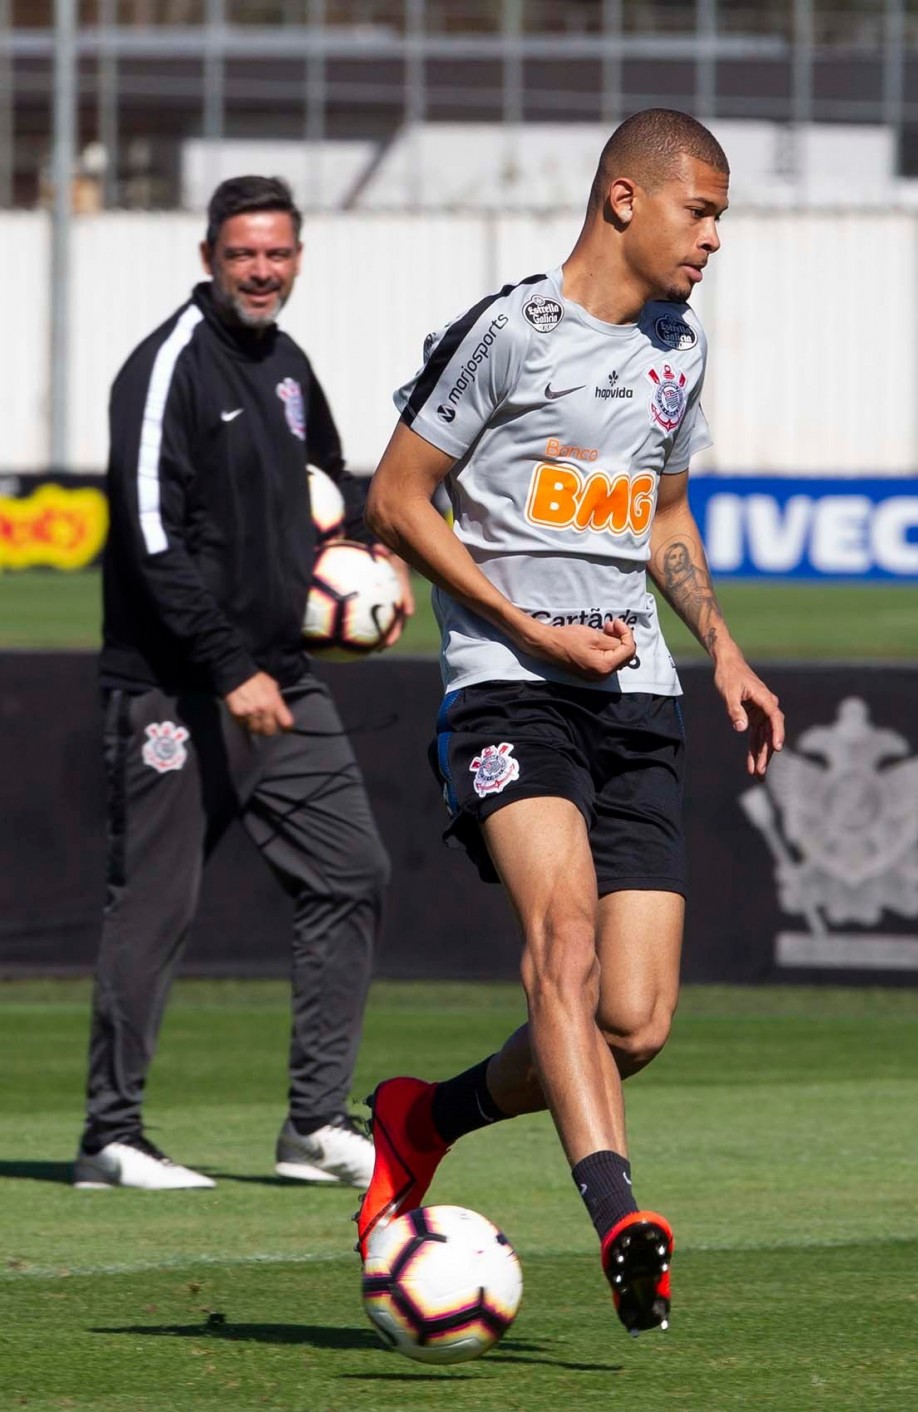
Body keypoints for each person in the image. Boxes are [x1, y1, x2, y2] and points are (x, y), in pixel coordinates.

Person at [357, 109, 784, 1335]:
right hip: (507, 681)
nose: (711, 238)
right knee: (563, 940)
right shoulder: (506, 331)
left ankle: (421, 1119)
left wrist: (726, 650)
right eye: (698, 211)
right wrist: (524, 626)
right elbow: (397, 497)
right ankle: (616, 1218)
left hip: (635, 694)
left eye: (718, 217)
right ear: (623, 201)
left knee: (632, 1020)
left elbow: (662, 515)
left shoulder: (676, 347)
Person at [74, 175, 412, 1192]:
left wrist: (357, 563)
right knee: (156, 906)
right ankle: (110, 1135)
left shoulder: (288, 364)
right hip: (173, 689)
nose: (260, 270)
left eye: (277, 253)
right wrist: (226, 669)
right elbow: (143, 535)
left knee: (351, 870)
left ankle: (312, 1122)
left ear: (297, 258)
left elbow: (326, 487)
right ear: (208, 258)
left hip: (283, 680)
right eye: (241, 254)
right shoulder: (166, 365)